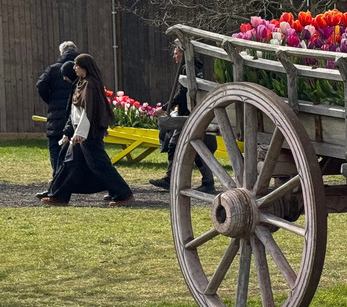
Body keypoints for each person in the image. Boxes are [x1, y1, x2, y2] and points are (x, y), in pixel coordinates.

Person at [41, 53, 134, 207]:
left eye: (77, 65)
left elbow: (88, 112)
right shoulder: (82, 83)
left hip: (88, 133)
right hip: (80, 132)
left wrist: (80, 133)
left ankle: (124, 194)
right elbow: (75, 111)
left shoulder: (90, 85)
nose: (74, 68)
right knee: (70, 163)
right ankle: (58, 195)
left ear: (84, 67)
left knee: (100, 165)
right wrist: (71, 132)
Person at [149, 43, 215, 193]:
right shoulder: (194, 68)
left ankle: (171, 179)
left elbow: (182, 94)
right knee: (195, 147)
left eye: (176, 52)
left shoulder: (187, 68)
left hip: (188, 114)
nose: (174, 56)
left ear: (183, 53)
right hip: (193, 112)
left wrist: (165, 108)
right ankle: (206, 181)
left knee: (175, 145)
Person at [35, 40, 78, 194]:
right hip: (76, 116)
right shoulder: (82, 69)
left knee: (55, 150)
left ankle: (57, 183)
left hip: (56, 115)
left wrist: (50, 100)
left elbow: (40, 85)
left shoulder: (53, 69)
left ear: (61, 53)